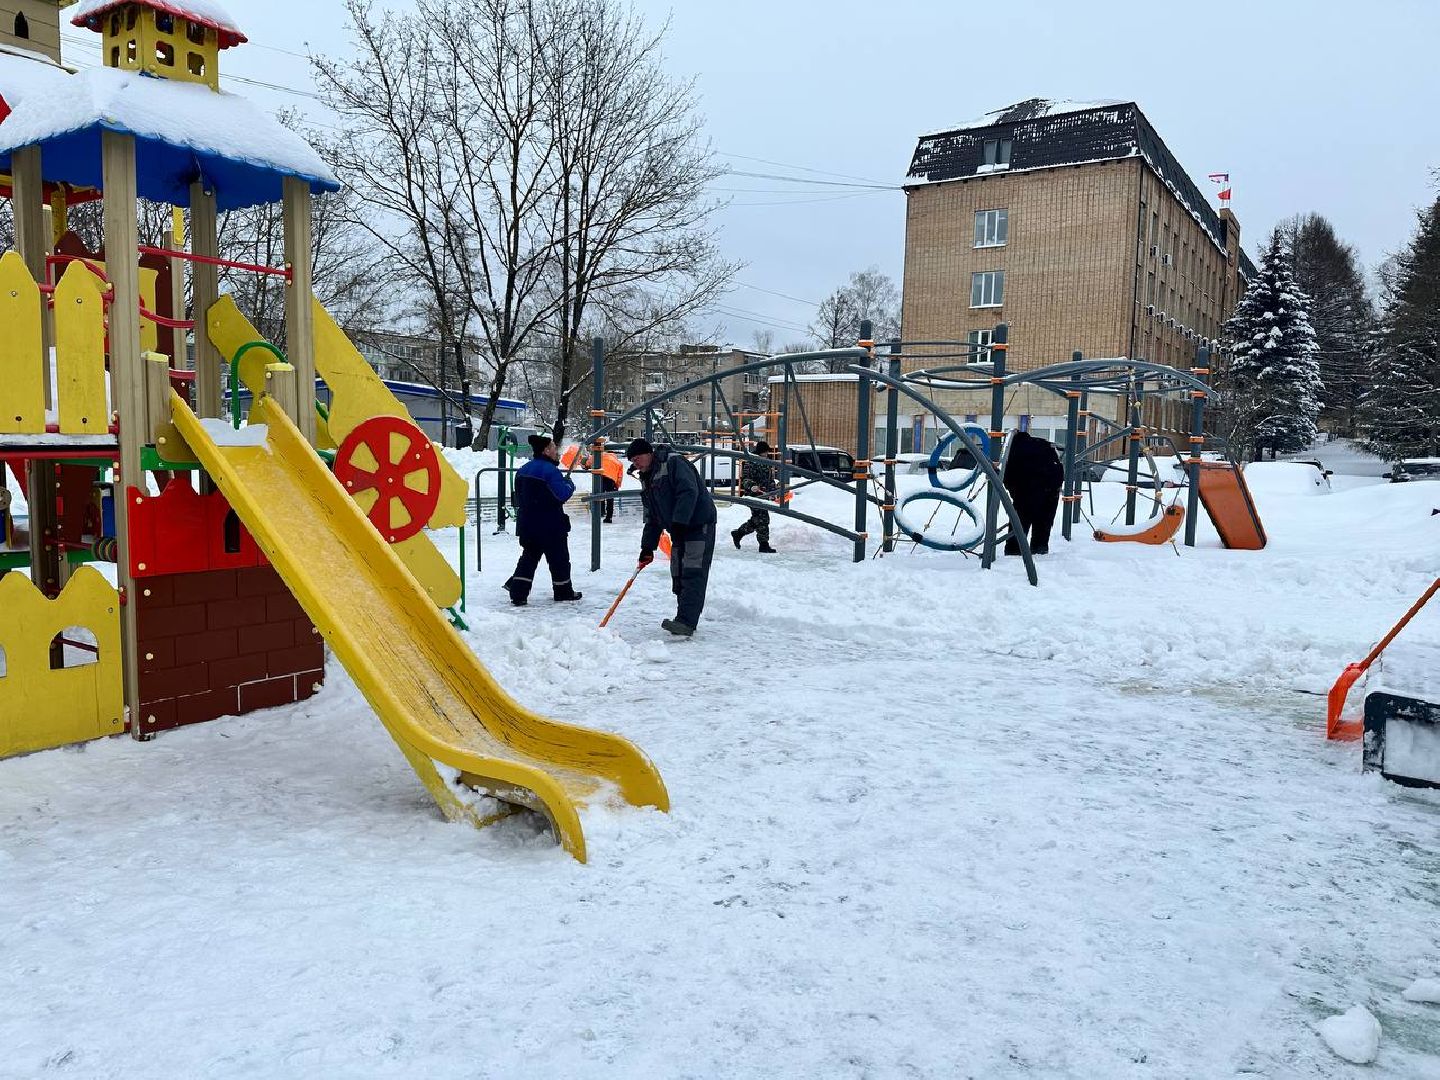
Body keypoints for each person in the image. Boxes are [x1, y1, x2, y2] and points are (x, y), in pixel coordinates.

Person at [626, 437, 717, 637]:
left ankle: (686, 621)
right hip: (679, 529)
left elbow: (688, 492)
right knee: (678, 571)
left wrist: (679, 522)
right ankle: (682, 616)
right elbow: (653, 516)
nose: (636, 463)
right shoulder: (647, 477)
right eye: (633, 461)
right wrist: (647, 547)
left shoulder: (674, 462)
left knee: (693, 571)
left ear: (649, 453)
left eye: (638, 457)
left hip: (697, 524)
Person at [504, 434, 582, 606]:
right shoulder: (550, 471)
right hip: (550, 525)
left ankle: (518, 592)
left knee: (529, 557)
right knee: (559, 560)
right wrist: (569, 484)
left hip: (527, 524)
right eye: (554, 447)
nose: (556, 451)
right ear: (546, 450)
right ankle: (563, 591)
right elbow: (562, 494)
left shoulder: (523, 470)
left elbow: (517, 498)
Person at [1002, 429, 1065, 556]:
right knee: (1042, 528)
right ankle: (1040, 550)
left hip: (1025, 492)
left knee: (1018, 527)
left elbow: (1007, 476)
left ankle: (1013, 553)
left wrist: (1015, 494)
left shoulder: (1013, 451)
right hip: (1050, 492)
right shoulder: (1044, 445)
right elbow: (1059, 470)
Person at [731, 440, 778, 553]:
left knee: (757, 520)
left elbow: (770, 480)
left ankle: (738, 533)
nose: (766, 454)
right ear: (760, 452)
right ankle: (763, 544)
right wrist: (752, 486)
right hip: (753, 495)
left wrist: (772, 492)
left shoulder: (767, 463)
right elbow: (746, 478)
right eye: (765, 452)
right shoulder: (751, 461)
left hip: (764, 494)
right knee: (763, 519)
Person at [561, 445, 625, 524]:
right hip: (612, 479)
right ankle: (609, 517)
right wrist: (617, 486)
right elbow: (620, 476)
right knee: (610, 498)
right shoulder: (618, 462)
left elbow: (589, 461)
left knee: (599, 495)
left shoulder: (602, 455)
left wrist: (585, 466)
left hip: (601, 475)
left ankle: (600, 513)